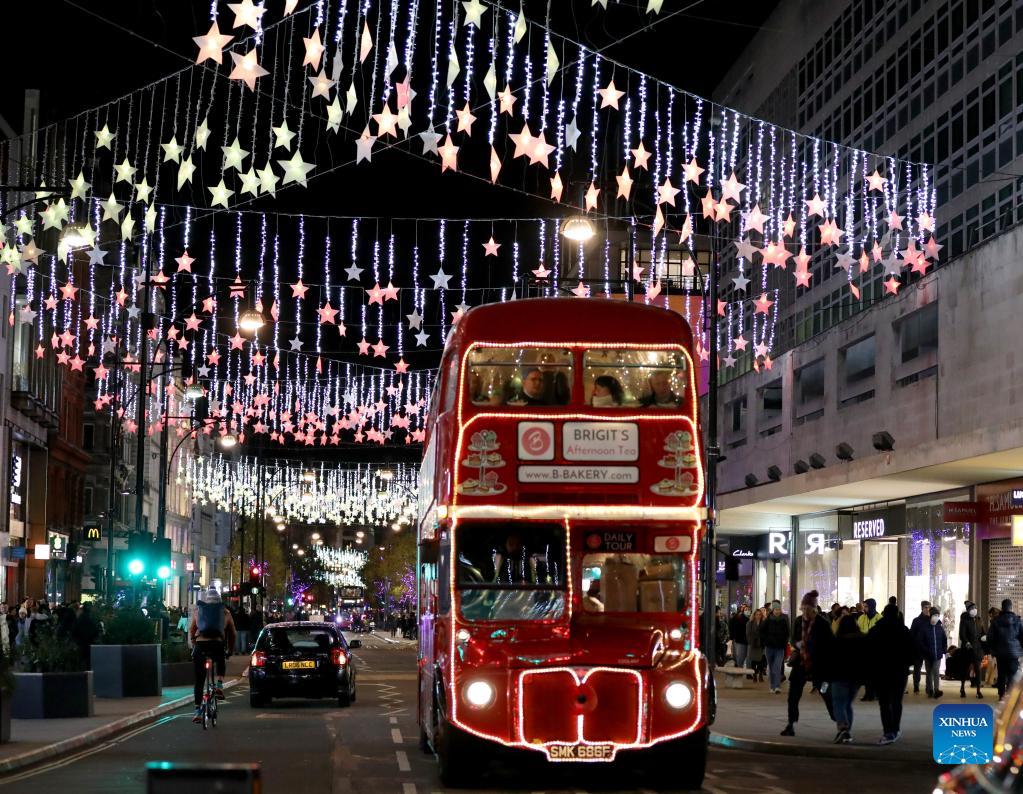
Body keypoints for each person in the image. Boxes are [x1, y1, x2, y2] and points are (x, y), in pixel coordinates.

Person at [780, 590, 835, 737]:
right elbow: (792, 638)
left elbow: (830, 644)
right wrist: (797, 644)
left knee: (826, 694)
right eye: (803, 608)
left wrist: (811, 645)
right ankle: (791, 724)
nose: (805, 612)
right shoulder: (799, 621)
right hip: (801, 664)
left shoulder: (822, 623)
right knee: (793, 695)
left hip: (819, 666)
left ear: (814, 609)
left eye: (808, 609)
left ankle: (839, 721)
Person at [868, 602, 917, 744]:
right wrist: (907, 665)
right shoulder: (903, 630)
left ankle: (888, 731)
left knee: (884, 703)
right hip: (899, 672)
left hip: (880, 672)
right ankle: (895, 729)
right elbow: (912, 651)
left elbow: (869, 651)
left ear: (884, 613)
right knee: (896, 701)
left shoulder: (876, 630)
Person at [189, 586, 237, 723]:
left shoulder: (199, 610)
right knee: (221, 657)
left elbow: (192, 629)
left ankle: (198, 711)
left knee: (199, 681)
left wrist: (194, 642)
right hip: (217, 644)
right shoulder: (225, 612)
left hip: (201, 646)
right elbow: (233, 633)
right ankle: (219, 685)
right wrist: (230, 650)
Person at [830, 614, 868, 744]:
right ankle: (847, 732)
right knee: (847, 704)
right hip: (856, 678)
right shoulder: (863, 639)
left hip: (839, 676)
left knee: (838, 703)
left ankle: (843, 729)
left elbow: (831, 660)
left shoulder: (837, 640)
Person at [987, 598, 1023, 699]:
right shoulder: (1018, 620)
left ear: (1002, 608)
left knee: (1001, 674)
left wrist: (993, 650)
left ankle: (1001, 695)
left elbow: (990, 638)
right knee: (1012, 674)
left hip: (1000, 653)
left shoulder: (995, 621)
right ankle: (1009, 696)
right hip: (1013, 653)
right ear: (1011, 608)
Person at [760, 600, 790, 694]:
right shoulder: (768, 619)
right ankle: (772, 685)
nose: (777, 611)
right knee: (771, 667)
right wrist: (765, 641)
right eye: (776, 609)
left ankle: (777, 686)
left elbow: (787, 632)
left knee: (777, 667)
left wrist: (785, 642)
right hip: (769, 647)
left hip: (780, 647)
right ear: (773, 610)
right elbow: (761, 631)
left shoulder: (784, 618)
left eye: (779, 609)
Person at [918, 605, 948, 698]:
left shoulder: (940, 627)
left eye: (937, 615)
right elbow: (921, 641)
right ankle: (929, 689)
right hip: (928, 655)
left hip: (937, 654)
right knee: (929, 673)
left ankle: (936, 690)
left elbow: (944, 639)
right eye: (934, 615)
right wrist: (925, 650)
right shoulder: (925, 627)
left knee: (936, 671)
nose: (935, 617)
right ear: (930, 616)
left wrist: (944, 650)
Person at [957, 600, 985, 699]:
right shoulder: (965, 620)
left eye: (975, 608)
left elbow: (982, 632)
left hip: (977, 650)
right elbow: (962, 634)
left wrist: (984, 637)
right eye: (972, 609)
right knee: (964, 670)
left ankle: (978, 691)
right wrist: (967, 643)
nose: (974, 610)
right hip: (967, 650)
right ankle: (962, 688)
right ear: (968, 610)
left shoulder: (979, 620)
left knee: (978, 670)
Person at [856, 598, 881, 701]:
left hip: (876, 651)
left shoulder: (880, 618)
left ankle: (877, 694)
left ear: (872, 606)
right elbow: (858, 631)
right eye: (864, 606)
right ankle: (868, 694)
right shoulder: (861, 618)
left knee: (876, 674)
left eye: (866, 606)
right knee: (866, 674)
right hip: (864, 650)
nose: (864, 609)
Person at [908, 600, 932, 694]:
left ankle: (928, 688)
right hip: (918, 649)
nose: (927, 609)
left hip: (928, 648)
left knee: (929, 669)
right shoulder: (916, 621)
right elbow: (912, 634)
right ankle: (916, 686)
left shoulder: (932, 620)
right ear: (922, 608)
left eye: (929, 607)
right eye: (926, 607)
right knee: (917, 668)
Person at [747, 608, 766, 682]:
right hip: (753, 644)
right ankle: (754, 675)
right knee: (754, 661)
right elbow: (748, 634)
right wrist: (750, 642)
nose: (758, 616)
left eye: (760, 615)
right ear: (754, 615)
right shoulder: (750, 623)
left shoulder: (764, 623)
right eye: (757, 614)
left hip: (761, 644)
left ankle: (760, 674)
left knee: (761, 660)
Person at [983, 606, 1000, 688]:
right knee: (996, 666)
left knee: (995, 666)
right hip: (999, 648)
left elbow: (991, 635)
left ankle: (994, 681)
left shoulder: (995, 622)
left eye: (990, 615)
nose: (990, 617)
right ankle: (995, 681)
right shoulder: (999, 621)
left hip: (996, 648)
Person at [729, 605, 750, 670]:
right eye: (746, 609)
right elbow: (733, 628)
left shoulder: (751, 618)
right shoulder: (738, 618)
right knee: (740, 656)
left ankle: (745, 670)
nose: (747, 611)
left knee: (746, 656)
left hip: (747, 640)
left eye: (748, 609)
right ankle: (739, 669)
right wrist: (732, 637)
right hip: (740, 640)